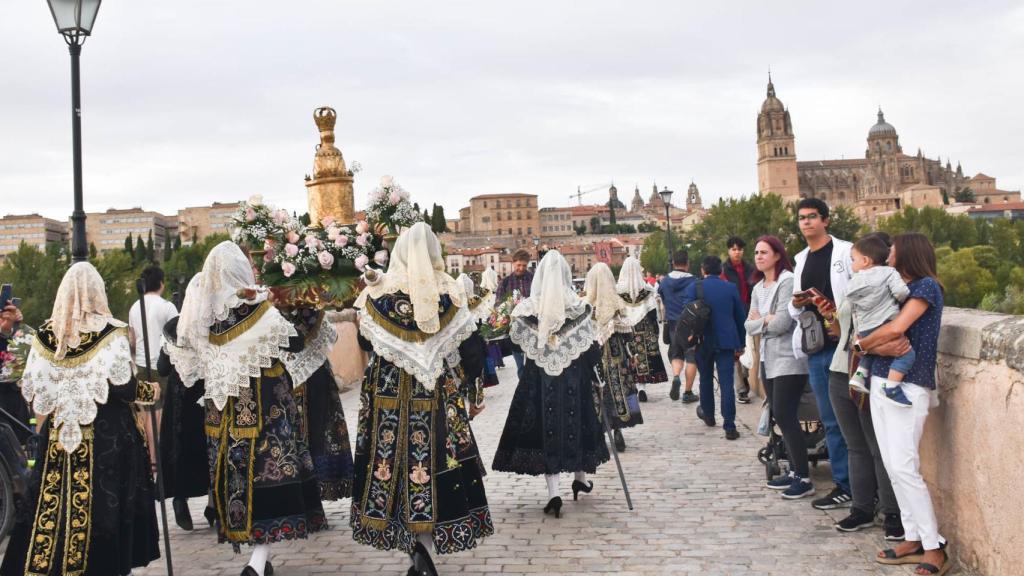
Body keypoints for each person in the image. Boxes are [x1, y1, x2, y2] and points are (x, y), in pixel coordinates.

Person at [175, 241, 326, 576]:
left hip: (221, 416)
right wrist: (308, 307)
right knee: (265, 482)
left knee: (238, 482)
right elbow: (295, 340)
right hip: (263, 409)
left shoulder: (205, 319)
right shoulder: (258, 312)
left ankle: (259, 560)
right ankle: (257, 562)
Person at [1, 262, 160, 576]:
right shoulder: (111, 332)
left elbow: (32, 387)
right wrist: (151, 389)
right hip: (107, 435)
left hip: (61, 434)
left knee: (56, 502)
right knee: (104, 506)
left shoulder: (46, 336)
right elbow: (124, 387)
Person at [351, 223, 491, 575]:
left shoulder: (376, 296)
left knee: (393, 467)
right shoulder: (449, 295)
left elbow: (365, 344)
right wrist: (473, 388)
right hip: (436, 396)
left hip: (389, 400)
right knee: (434, 466)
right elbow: (472, 351)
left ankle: (417, 549)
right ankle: (424, 548)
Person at [492, 250, 609, 519]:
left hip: (539, 380)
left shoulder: (527, 309)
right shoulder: (579, 308)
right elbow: (591, 348)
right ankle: (579, 476)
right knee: (576, 422)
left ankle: (554, 493)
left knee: (547, 428)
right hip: (574, 377)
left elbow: (511, 344)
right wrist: (598, 376)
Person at [858, 233, 948, 575]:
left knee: (906, 467)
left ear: (908, 253)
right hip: (882, 380)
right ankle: (912, 537)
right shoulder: (899, 289)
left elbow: (897, 330)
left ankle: (933, 546)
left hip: (908, 386)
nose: (887, 253)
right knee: (894, 466)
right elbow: (880, 335)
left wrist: (864, 344)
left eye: (892, 250)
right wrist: (870, 344)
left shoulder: (926, 287)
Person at [814, 232, 904, 540]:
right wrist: (829, 317)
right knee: (855, 444)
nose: (851, 265)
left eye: (854, 259)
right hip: (840, 369)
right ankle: (862, 507)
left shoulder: (887, 288)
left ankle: (891, 512)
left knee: (876, 444)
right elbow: (842, 331)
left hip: (867, 370)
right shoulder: (854, 287)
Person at [788, 197, 854, 510]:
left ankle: (858, 486)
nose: (806, 223)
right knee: (829, 420)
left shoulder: (846, 252)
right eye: (802, 218)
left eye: (812, 217)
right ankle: (844, 484)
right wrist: (799, 303)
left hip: (845, 346)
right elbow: (792, 303)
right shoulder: (801, 259)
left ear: (825, 220)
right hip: (816, 347)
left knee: (850, 421)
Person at [744, 236, 813, 498]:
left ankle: (804, 477)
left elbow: (784, 323)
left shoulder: (787, 281)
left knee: (786, 415)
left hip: (788, 359)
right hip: (767, 358)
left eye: (764, 252)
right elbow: (748, 326)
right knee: (779, 416)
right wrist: (765, 320)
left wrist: (761, 321)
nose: (759, 256)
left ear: (776, 255)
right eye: (756, 252)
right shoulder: (758, 287)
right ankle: (795, 471)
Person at [280, 305, 355, 502]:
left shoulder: (305, 304)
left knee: (314, 431)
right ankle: (305, 490)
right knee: (301, 432)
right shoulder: (273, 305)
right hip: (292, 377)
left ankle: (313, 489)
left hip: (308, 376)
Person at [156, 275, 213, 532]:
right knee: (209, 448)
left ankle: (180, 499)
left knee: (180, 450)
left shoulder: (173, 328)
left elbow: (162, 368)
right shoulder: (216, 325)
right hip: (208, 397)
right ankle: (215, 505)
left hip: (179, 401)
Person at [684, 256, 747, 440]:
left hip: (702, 340)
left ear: (703, 269)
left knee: (705, 379)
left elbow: (686, 313)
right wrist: (741, 342)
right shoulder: (730, 288)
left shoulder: (694, 287)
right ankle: (729, 425)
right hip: (726, 340)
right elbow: (739, 316)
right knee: (727, 383)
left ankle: (709, 415)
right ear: (721, 271)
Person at [846, 236, 913, 405]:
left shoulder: (853, 282)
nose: (852, 264)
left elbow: (854, 309)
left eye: (853, 260)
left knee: (869, 351)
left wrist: (859, 333)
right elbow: (900, 292)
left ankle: (859, 375)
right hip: (885, 323)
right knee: (907, 354)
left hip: (865, 328)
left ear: (865, 260)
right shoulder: (889, 272)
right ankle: (892, 387)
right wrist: (901, 299)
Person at [585, 262, 641, 452]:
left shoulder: (586, 306)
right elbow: (627, 333)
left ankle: (598, 435)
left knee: (595, 393)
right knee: (617, 390)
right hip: (616, 355)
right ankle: (617, 430)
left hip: (593, 357)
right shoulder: (616, 303)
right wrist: (633, 354)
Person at [616, 256, 667, 401]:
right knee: (643, 357)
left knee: (628, 356)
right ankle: (642, 387)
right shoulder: (647, 290)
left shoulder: (618, 291)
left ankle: (632, 387)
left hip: (625, 329)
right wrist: (656, 330)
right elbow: (652, 313)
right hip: (644, 329)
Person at [657, 251, 699, 403]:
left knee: (676, 354)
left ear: (673, 263)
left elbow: (662, 298)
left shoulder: (665, 282)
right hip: (690, 324)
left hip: (673, 324)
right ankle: (687, 392)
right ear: (687, 263)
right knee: (691, 358)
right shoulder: (694, 281)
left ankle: (676, 377)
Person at [720, 236, 756, 403]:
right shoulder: (724, 270)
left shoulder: (749, 268)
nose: (737, 252)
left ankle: (745, 379)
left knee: (748, 349)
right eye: (734, 249)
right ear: (729, 250)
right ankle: (741, 389)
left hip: (749, 313)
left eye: (740, 249)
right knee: (736, 352)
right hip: (732, 315)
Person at [496, 249, 534, 375]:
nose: (521, 268)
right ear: (513, 263)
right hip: (514, 330)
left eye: (524, 265)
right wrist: (504, 313)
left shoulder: (534, 279)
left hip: (532, 328)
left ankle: (534, 391)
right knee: (520, 368)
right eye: (519, 265)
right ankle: (523, 391)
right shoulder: (505, 282)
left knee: (533, 365)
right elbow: (498, 304)